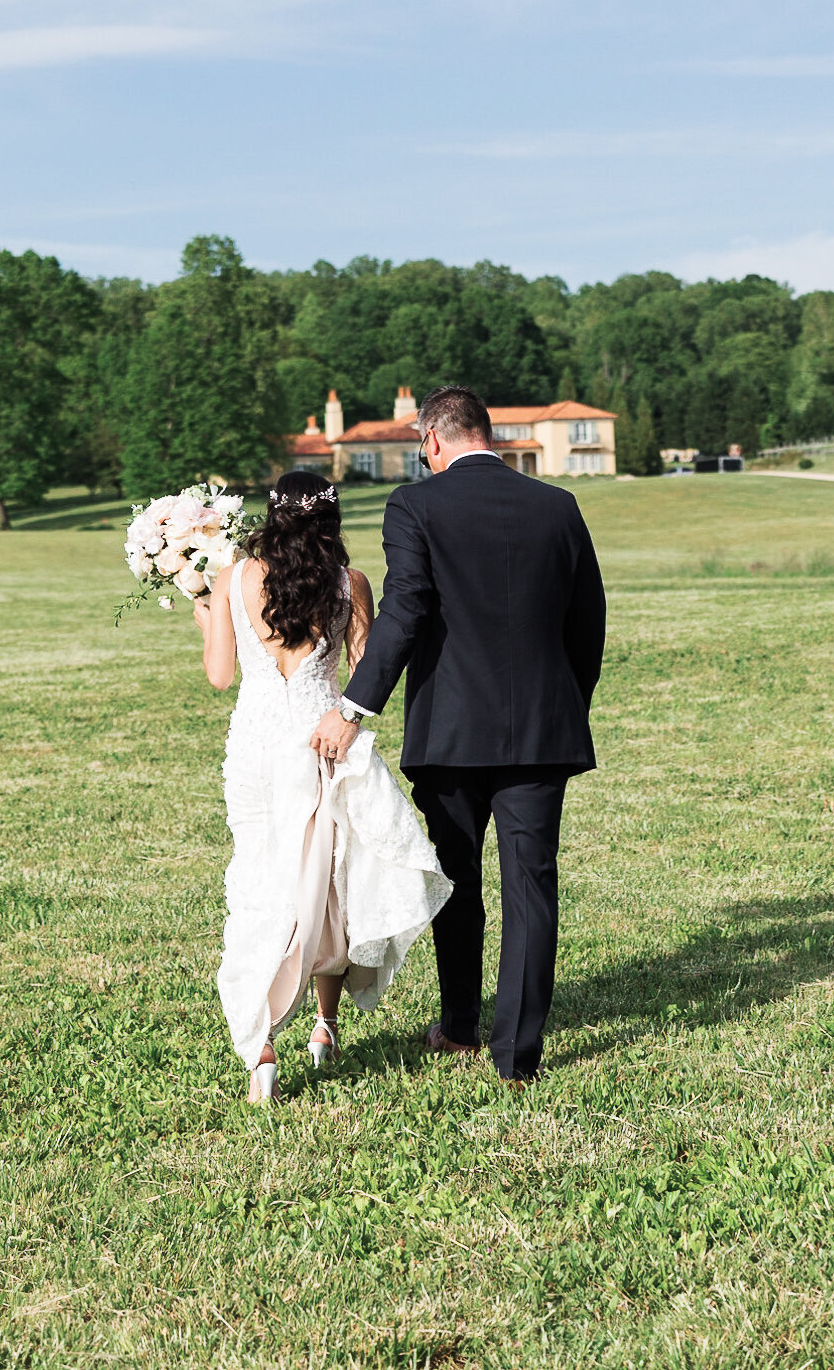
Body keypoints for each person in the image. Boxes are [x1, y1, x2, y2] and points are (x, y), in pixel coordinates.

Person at [311, 386, 606, 1084]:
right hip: (543, 728)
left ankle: (463, 1026)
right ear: (491, 436)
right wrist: (566, 704)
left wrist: (353, 708)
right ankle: (519, 1057)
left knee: (458, 877)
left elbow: (407, 608)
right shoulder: (558, 506)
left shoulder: (415, 505)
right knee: (532, 885)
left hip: (450, 732)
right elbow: (587, 619)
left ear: (433, 441)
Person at [194, 470, 451, 1104]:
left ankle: (261, 1047)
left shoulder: (236, 579)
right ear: (330, 522)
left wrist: (206, 612)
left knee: (263, 877)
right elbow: (365, 674)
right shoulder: (350, 584)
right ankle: (324, 1024)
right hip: (323, 743)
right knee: (330, 879)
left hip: (255, 750)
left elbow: (220, 675)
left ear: (271, 517)